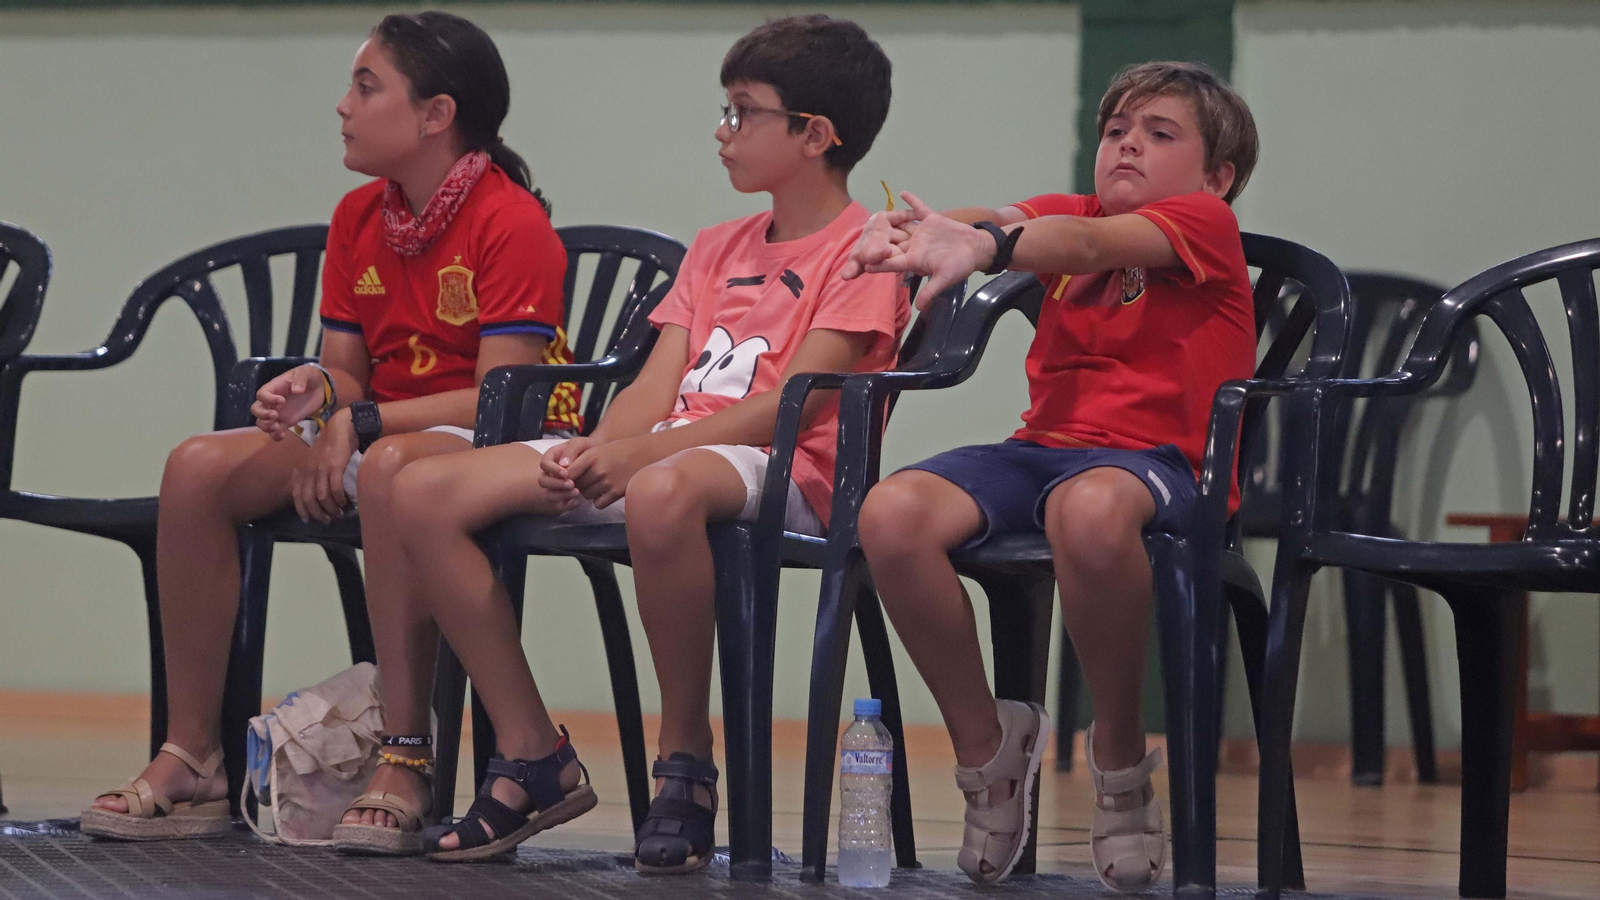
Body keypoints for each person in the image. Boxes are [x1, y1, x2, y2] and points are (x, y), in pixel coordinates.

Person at [377, 14, 905, 870]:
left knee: (663, 494)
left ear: (815, 135)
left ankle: (685, 763)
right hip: (669, 452)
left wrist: (643, 460)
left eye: (742, 112)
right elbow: (654, 390)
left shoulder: (868, 252)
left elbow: (792, 407)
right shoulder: (715, 247)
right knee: (422, 493)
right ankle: (532, 750)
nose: (721, 131)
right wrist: (599, 448)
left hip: (787, 471)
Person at [82, 11, 576, 846]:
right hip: (383, 428)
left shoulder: (509, 219)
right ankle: (193, 757)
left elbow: (501, 394)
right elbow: (348, 368)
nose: (342, 106)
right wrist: (316, 389)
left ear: (435, 114)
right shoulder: (359, 217)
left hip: (490, 439)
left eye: (365, 85)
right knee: (196, 466)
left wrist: (360, 421)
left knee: (389, 471)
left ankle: (407, 759)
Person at [843, 60, 1259, 889]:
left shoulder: (1202, 222)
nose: (1128, 146)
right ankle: (987, 755)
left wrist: (988, 245)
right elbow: (997, 217)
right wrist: (919, 233)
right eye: (1115, 132)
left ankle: (1117, 754)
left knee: (1091, 510)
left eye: (1159, 134)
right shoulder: (1069, 211)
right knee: (890, 515)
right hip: (1042, 449)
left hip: (1161, 464)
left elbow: (1086, 244)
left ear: (1217, 174)